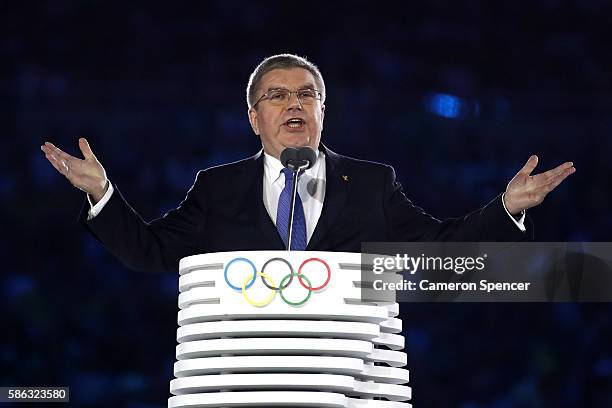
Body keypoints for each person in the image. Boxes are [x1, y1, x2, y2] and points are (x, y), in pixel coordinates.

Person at [40, 54, 575, 273]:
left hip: (342, 378)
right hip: (247, 380)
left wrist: (507, 208)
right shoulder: (217, 187)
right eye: (276, 96)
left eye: (305, 95)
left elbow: (438, 252)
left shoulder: (370, 183)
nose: (293, 104)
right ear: (254, 118)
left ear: (322, 111)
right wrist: (101, 194)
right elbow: (150, 253)